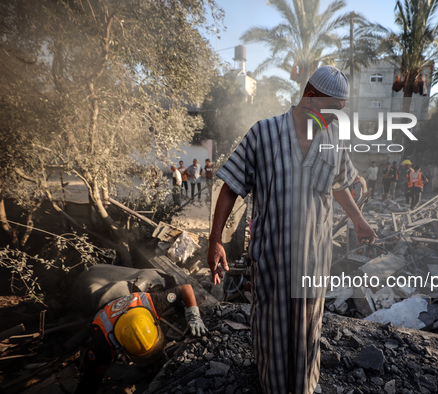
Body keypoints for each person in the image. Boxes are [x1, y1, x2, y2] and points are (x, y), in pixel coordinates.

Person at [207, 66, 376, 394]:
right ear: (310, 98)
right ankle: (270, 384)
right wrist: (215, 240)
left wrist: (358, 219)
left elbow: (338, 184)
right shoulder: (263, 134)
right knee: (271, 326)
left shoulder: (332, 140)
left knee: (308, 327)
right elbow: (230, 186)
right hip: (272, 258)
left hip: (314, 258)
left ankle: (303, 387)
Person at [74, 284, 206, 394]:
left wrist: (194, 316)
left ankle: (152, 368)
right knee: (91, 379)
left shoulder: (152, 302)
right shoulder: (102, 342)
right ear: (123, 348)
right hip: (104, 311)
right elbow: (90, 368)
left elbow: (186, 288)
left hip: (131, 307)